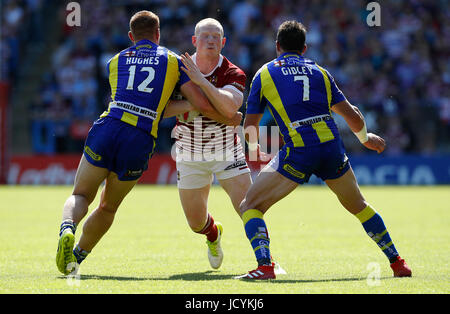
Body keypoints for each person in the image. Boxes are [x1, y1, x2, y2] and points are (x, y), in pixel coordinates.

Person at [55, 11, 241, 276]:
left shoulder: (115, 61)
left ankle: (67, 228)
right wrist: (228, 116)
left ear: (131, 37)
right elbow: (199, 104)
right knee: (108, 206)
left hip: (110, 126)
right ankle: (77, 256)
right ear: (158, 34)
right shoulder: (173, 60)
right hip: (140, 137)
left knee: (81, 194)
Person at [235, 21, 412, 280]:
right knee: (359, 205)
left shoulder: (265, 73)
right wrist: (365, 139)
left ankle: (265, 267)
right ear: (304, 48)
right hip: (331, 148)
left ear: (277, 46)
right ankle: (398, 263)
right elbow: (353, 115)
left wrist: (255, 149)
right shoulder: (320, 72)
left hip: (299, 150)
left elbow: (249, 125)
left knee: (249, 206)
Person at [172, 18, 252, 270]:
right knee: (195, 223)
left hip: (226, 149)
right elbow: (161, 109)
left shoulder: (233, 72)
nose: (210, 40)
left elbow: (230, 108)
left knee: (250, 207)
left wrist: (201, 82)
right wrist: (193, 104)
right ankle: (213, 235)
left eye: (216, 36)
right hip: (189, 151)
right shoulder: (177, 69)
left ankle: (267, 260)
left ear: (223, 42)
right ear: (194, 41)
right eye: (205, 36)